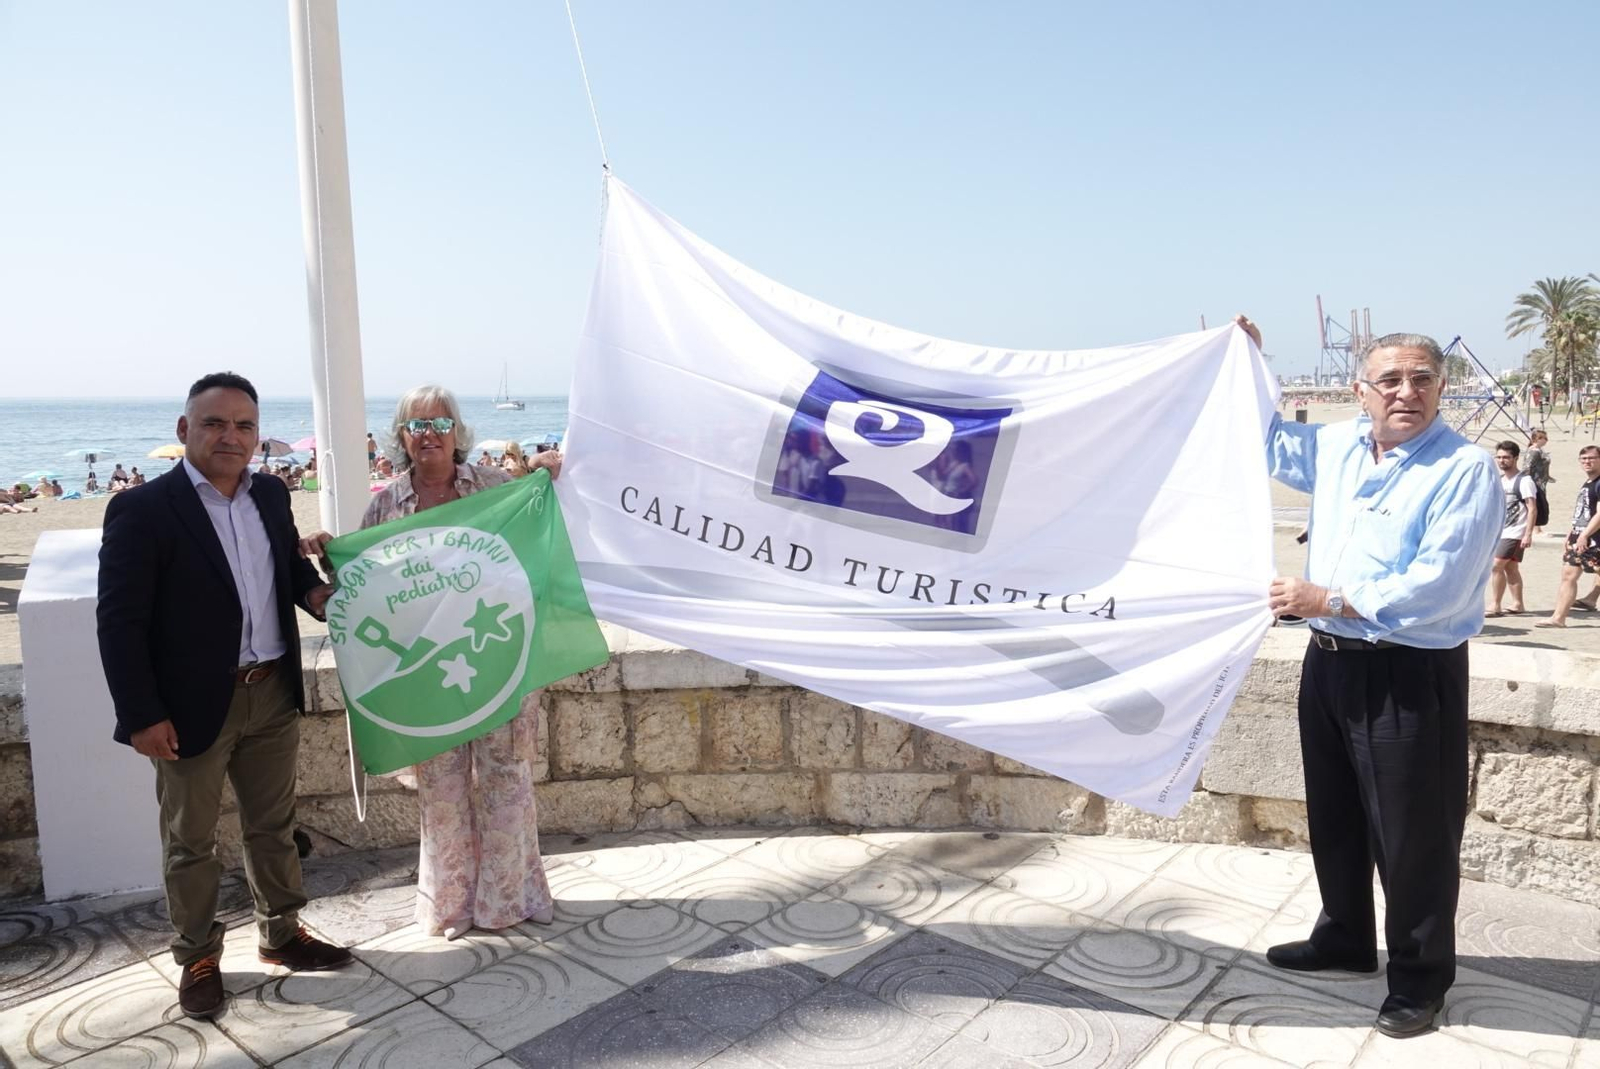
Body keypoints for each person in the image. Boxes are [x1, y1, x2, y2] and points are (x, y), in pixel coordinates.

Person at [1243, 317, 1501, 1040]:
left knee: (1414, 835)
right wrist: (1246, 362)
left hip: (1407, 672)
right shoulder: (1335, 447)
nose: (1406, 392)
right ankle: (1346, 936)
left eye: (1422, 379)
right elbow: (1263, 438)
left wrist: (1326, 599)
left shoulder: (1464, 468)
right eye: (1389, 379)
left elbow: (1439, 586)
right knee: (1336, 813)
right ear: (1361, 392)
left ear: (1441, 389)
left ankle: (1420, 978)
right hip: (1328, 662)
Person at [97, 372, 351, 1020]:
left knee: (273, 827)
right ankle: (198, 955)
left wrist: (318, 594)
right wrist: (140, 715)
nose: (229, 436)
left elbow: (287, 572)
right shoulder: (143, 510)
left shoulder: (270, 493)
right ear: (185, 430)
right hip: (186, 708)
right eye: (214, 423)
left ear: (257, 437)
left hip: (271, 692)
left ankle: (282, 932)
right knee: (190, 840)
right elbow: (119, 620)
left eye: (243, 425)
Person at [301, 385, 563, 940]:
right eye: (417, 425)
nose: (429, 434)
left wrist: (546, 468)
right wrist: (329, 555)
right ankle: (449, 907)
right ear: (401, 435)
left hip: (495, 661)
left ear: (457, 432)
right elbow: (368, 589)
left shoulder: (492, 488)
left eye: (441, 423)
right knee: (441, 794)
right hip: (428, 675)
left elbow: (535, 531)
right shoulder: (384, 505)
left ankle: (509, 900)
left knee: (505, 785)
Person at [1538, 445, 1600, 627]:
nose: (1587, 462)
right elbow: (1584, 512)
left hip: (1593, 539)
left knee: (1570, 574)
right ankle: (1558, 618)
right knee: (1568, 574)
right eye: (1584, 459)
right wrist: (1572, 533)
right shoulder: (1589, 483)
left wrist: (1585, 535)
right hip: (1581, 536)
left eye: (1591, 458)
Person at [1487, 441, 1537, 617]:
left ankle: (1495, 605)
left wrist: (1528, 534)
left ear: (1515, 458)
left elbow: (1532, 508)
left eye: (1506, 457)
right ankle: (1518, 604)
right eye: (1499, 457)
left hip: (1515, 531)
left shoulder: (1524, 481)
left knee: (1496, 566)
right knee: (1511, 568)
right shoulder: (1500, 480)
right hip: (1501, 530)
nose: (1502, 461)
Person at [1522, 429, 1552, 533]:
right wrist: (1528, 481)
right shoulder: (1534, 451)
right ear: (1536, 439)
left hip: (1541, 481)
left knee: (1540, 503)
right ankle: (1535, 528)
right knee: (1537, 503)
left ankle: (1537, 527)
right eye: (1543, 438)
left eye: (1546, 438)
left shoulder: (1539, 450)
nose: (1545, 440)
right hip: (1535, 482)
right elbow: (1527, 467)